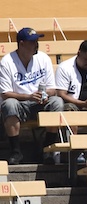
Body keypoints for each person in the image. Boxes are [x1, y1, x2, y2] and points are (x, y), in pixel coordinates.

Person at [0, 27, 64, 165]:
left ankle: (47, 149)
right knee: (9, 104)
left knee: (57, 102)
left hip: (40, 102)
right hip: (20, 103)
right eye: (32, 41)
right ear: (21, 43)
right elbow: (5, 93)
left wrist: (45, 95)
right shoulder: (7, 62)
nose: (36, 44)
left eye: (37, 41)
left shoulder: (43, 58)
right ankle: (16, 151)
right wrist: (29, 97)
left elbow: (52, 89)